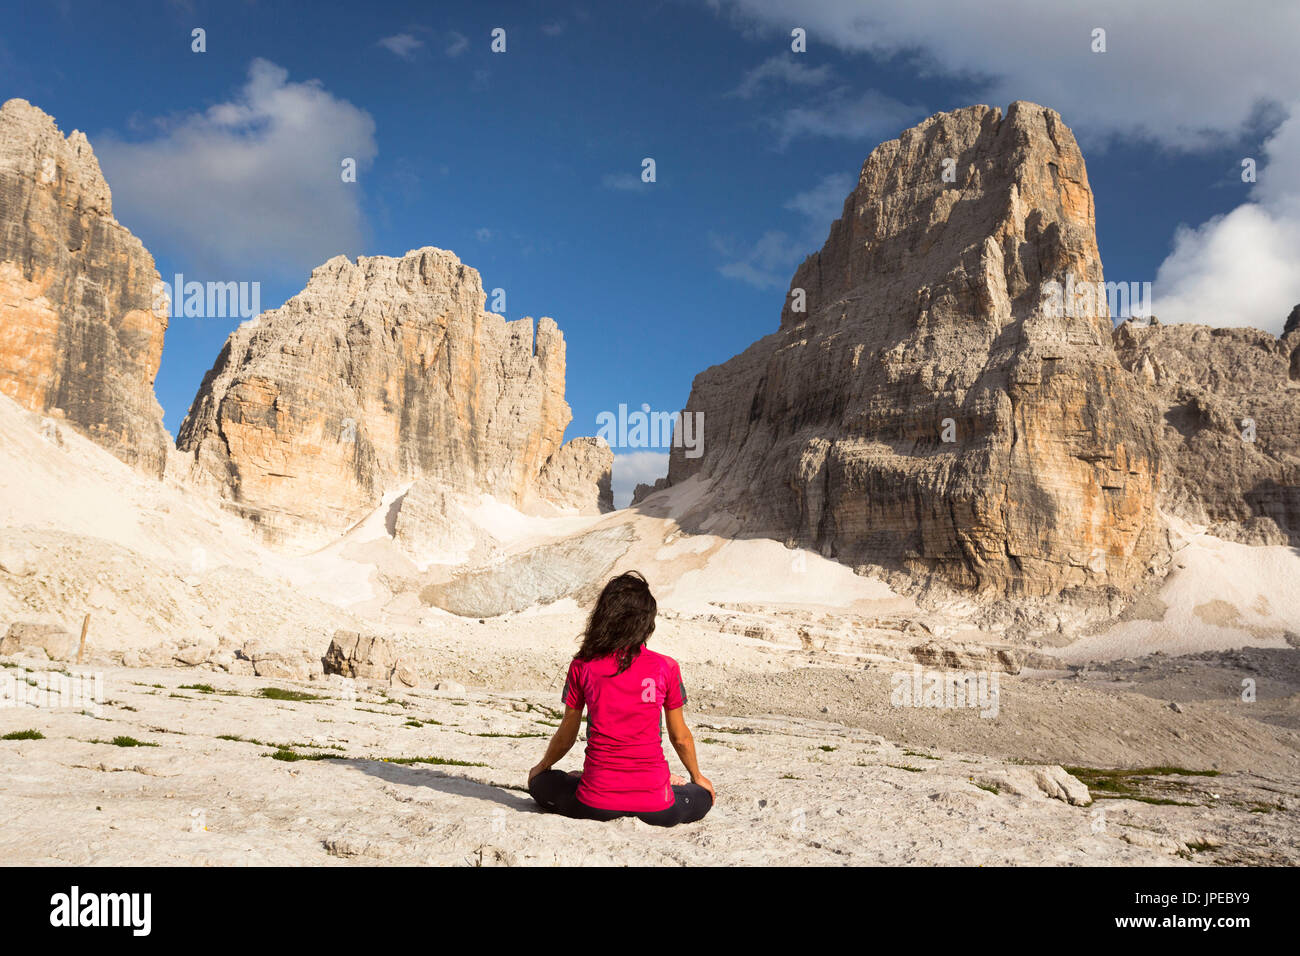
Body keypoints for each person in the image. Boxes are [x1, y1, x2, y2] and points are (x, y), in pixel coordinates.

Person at [527, 571, 714, 827]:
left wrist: (543, 766)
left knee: (541, 783)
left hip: (594, 804)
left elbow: (567, 733)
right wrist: (697, 775)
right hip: (657, 807)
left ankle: (586, 779)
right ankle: (660, 780)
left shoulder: (583, 665)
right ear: (646, 622)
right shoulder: (666, 667)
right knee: (702, 795)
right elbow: (680, 738)